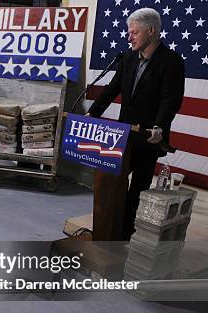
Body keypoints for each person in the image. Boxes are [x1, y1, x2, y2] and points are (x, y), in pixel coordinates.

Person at [87, 7, 185, 240]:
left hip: (149, 139)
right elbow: (112, 89)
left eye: (134, 32)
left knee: (136, 191)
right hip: (122, 136)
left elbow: (170, 99)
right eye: (129, 32)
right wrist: (93, 113)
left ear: (151, 31)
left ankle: (124, 235)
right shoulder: (128, 58)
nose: (129, 37)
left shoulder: (171, 61)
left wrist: (160, 126)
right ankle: (108, 230)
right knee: (112, 184)